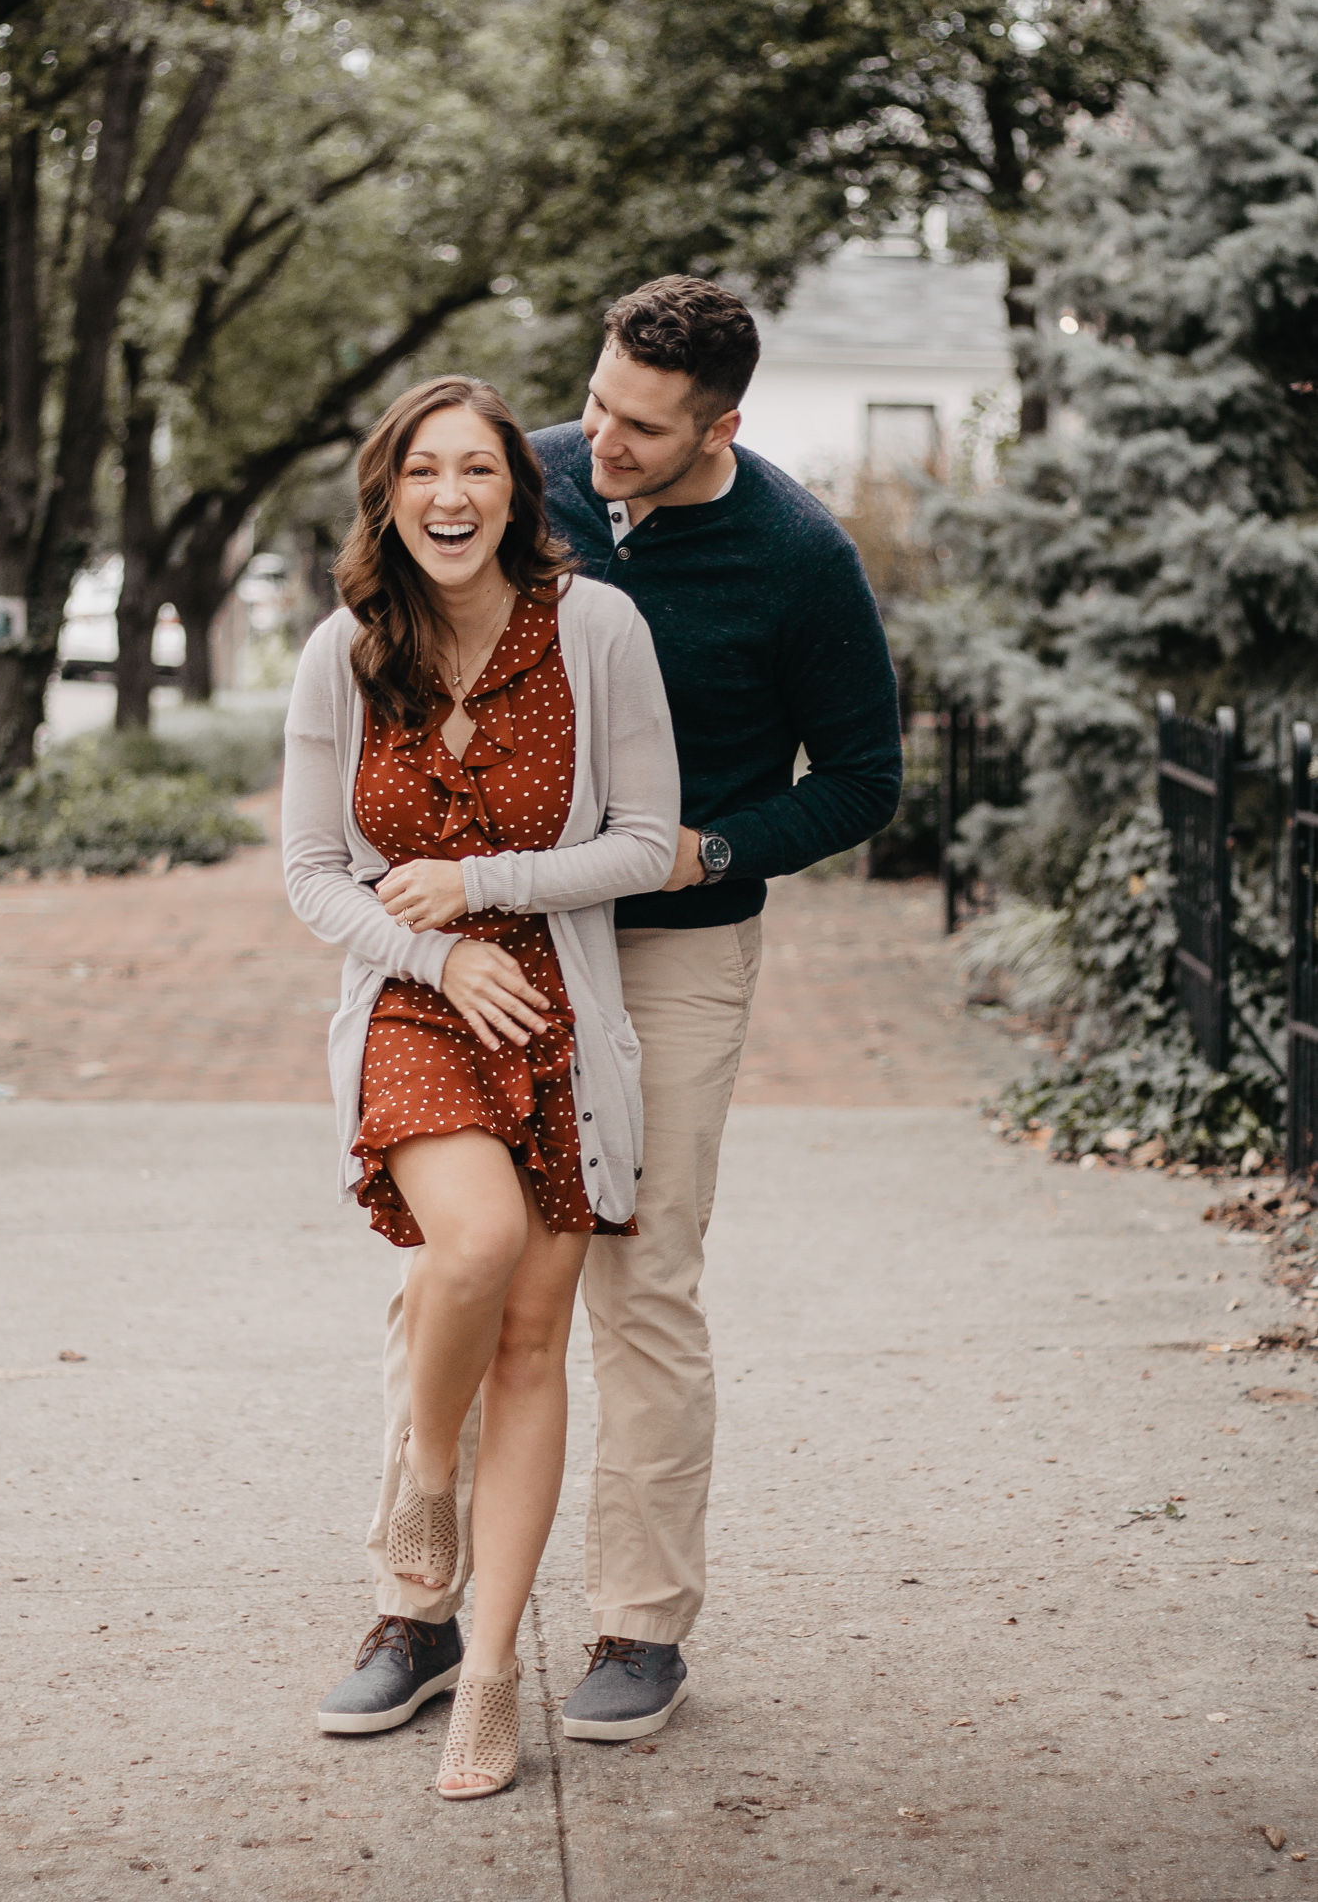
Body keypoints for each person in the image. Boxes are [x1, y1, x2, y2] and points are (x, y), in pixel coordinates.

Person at [322, 274, 903, 1748]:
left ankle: (638, 1624)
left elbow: (859, 779)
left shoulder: (795, 554)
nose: (600, 443)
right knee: (457, 1264)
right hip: (498, 944)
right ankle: (418, 1599)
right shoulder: (527, 481)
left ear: (722, 423)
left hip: (672, 943)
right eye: (592, 405)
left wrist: (705, 849)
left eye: (641, 427)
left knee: (641, 1281)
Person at [283, 374, 680, 1797]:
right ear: (388, 495)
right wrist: (433, 953)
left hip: (560, 1010)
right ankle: (425, 1496)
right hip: (413, 999)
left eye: (477, 472)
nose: (448, 498)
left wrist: (487, 884)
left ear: (519, 492)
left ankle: (491, 1669)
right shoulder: (344, 650)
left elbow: (644, 840)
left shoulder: (596, 632)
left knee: (532, 1345)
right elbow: (308, 875)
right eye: (420, 472)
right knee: (478, 1244)